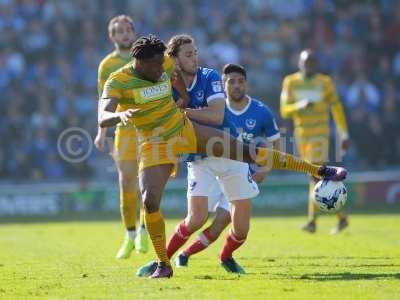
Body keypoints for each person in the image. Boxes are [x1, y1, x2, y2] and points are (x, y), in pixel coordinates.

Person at [99, 34, 347, 278]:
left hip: (183, 129)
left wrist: (183, 97)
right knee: (150, 201)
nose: (160, 71)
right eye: (156, 67)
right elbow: (102, 114)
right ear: (140, 64)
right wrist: (118, 117)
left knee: (248, 153)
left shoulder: (166, 63)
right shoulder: (118, 81)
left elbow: (176, 78)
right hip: (154, 144)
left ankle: (319, 170)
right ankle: (164, 264)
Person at [138, 35, 260, 276]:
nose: (194, 58)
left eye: (195, 53)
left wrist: (181, 112)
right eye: (188, 54)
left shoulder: (210, 76)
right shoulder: (165, 85)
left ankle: (226, 256)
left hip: (230, 153)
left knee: (241, 229)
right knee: (196, 218)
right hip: (199, 159)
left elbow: (216, 116)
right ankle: (161, 261)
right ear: (173, 59)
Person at [174, 63, 282, 272]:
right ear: (223, 86)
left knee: (223, 222)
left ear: (246, 84)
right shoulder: (213, 108)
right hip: (209, 169)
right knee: (197, 217)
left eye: (240, 81)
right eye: (231, 82)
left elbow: (275, 142)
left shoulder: (261, 111)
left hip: (236, 173)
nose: (236, 86)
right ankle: (180, 253)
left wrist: (264, 170)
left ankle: (198, 255)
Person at [94, 15, 149, 258]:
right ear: (112, 36)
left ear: (134, 32)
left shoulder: (149, 58)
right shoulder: (107, 65)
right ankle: (130, 235)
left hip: (150, 128)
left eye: (129, 30)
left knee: (149, 183)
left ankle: (146, 232)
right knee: (127, 182)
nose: (125, 34)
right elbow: (104, 101)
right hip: (124, 129)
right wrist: (101, 131)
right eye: (120, 31)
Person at [280, 49, 350, 235]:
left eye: (311, 62)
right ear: (299, 63)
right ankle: (341, 217)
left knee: (315, 175)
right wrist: (299, 106)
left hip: (320, 135)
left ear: (316, 64)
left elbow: (337, 109)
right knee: (317, 176)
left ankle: (313, 221)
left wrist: (343, 134)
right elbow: (284, 110)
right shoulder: (291, 82)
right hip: (302, 135)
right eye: (305, 62)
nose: (308, 65)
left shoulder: (325, 82)